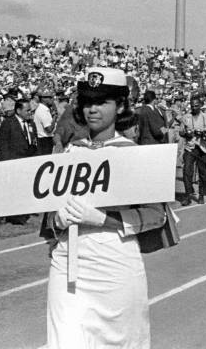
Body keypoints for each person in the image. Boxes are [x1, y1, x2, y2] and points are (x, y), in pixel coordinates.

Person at [45, 67, 168, 348]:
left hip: (114, 261)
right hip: (67, 261)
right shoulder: (68, 153)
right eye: (88, 102)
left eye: (102, 102)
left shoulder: (134, 154)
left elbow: (156, 214)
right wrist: (57, 220)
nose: (92, 109)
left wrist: (103, 219)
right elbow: (48, 218)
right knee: (63, 342)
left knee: (117, 342)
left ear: (121, 105)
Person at [0, 99, 38, 225]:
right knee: (11, 190)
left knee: (24, 188)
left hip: (27, 160)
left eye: (31, 110)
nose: (30, 113)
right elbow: (3, 144)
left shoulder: (31, 123)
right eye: (27, 110)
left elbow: (34, 140)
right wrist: (6, 163)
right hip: (12, 160)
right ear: (18, 110)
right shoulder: (8, 123)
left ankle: (22, 212)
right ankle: (7, 215)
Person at [179, 95, 206, 206]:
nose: (194, 108)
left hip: (202, 148)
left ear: (200, 106)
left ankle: (201, 195)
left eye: (196, 106)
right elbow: (181, 131)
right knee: (187, 171)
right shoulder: (186, 117)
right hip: (190, 147)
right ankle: (188, 194)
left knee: (203, 172)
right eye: (192, 106)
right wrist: (187, 134)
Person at [33, 88, 57, 155]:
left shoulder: (44, 109)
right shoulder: (42, 110)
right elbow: (49, 129)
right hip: (45, 141)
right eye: (50, 97)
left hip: (45, 140)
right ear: (43, 99)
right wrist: (54, 118)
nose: (52, 99)